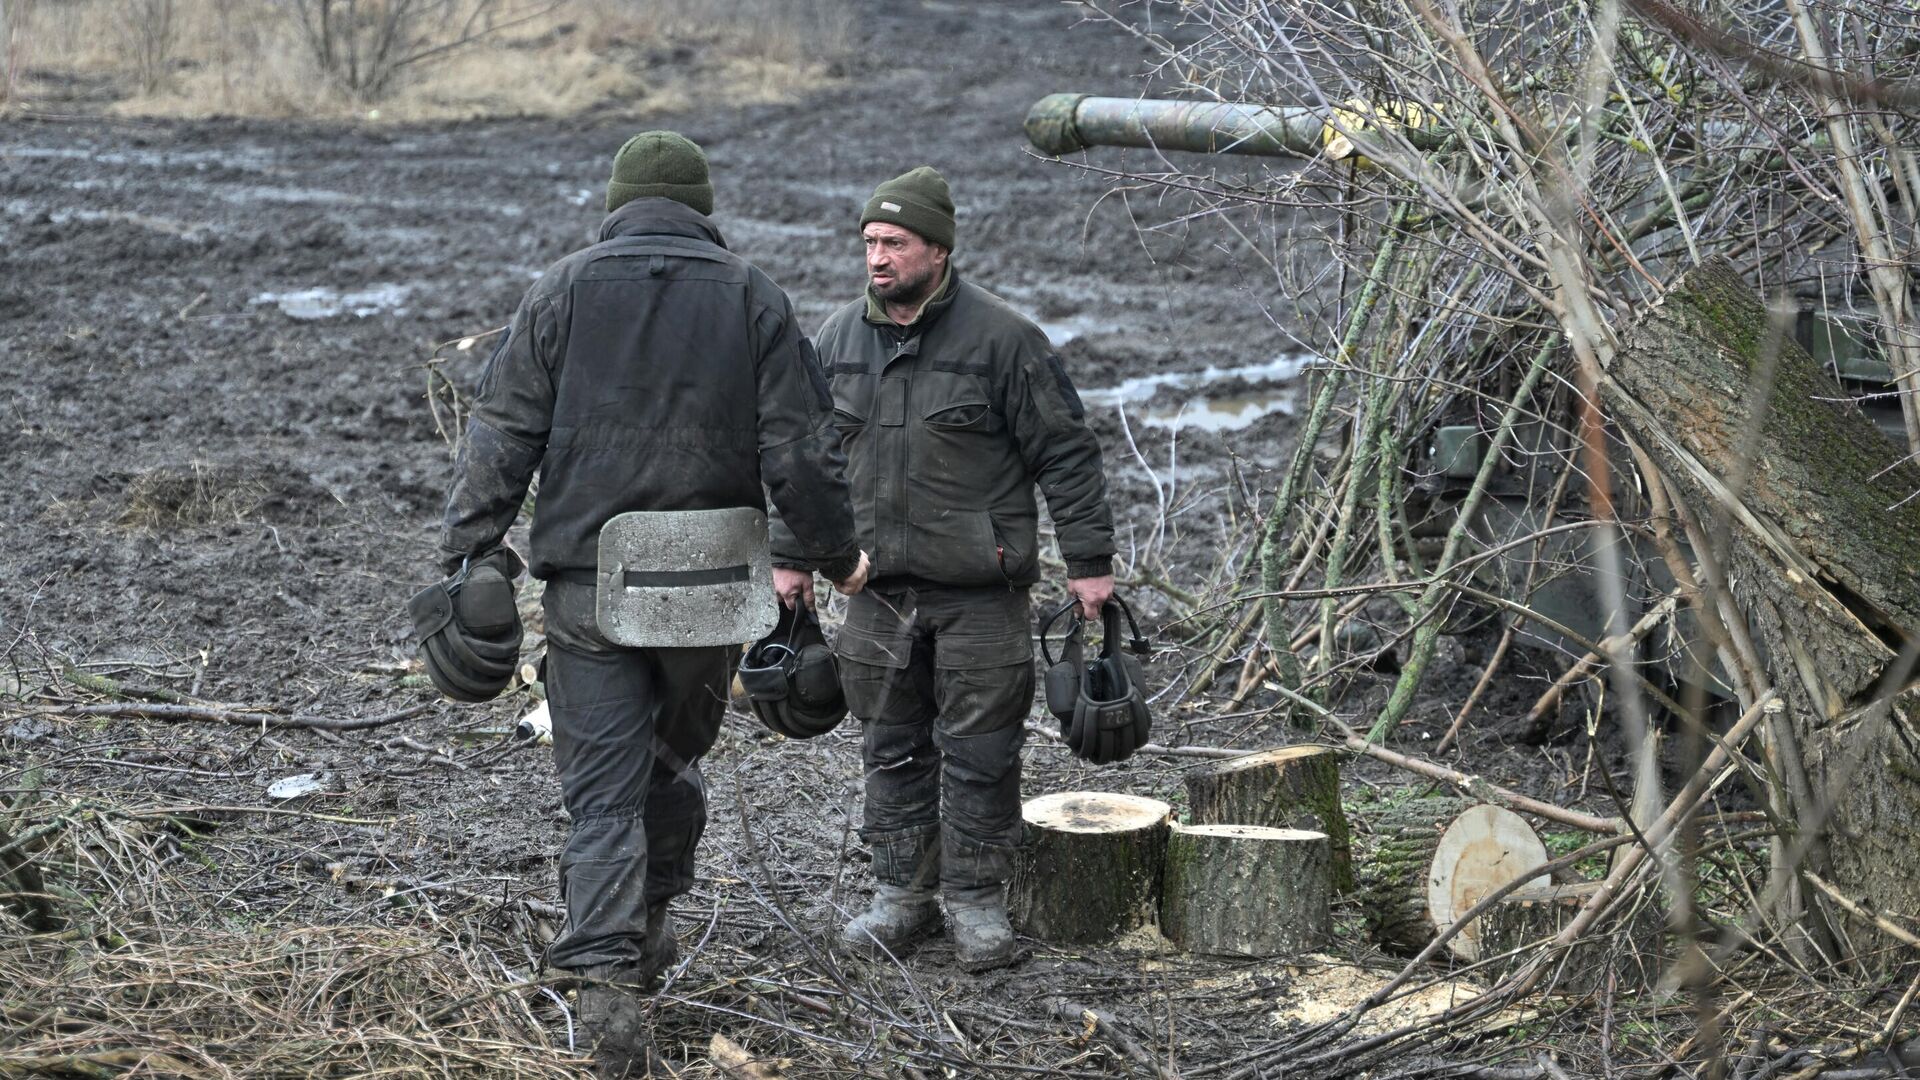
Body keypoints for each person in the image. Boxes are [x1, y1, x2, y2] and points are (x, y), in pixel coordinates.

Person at [430, 130, 868, 1077]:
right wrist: (837, 557)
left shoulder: (563, 288)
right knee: (669, 762)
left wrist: (470, 547)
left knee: (600, 795)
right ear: (703, 207)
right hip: (712, 589)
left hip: (591, 585)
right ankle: (654, 921)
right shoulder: (754, 295)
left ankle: (607, 990)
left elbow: (503, 429)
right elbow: (800, 449)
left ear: (618, 200)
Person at [769, 166, 1116, 972]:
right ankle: (900, 899)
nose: (877, 258)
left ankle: (974, 904)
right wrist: (791, 558)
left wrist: (1089, 563)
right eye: (869, 243)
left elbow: (1067, 454)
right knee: (889, 746)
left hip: (981, 594)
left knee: (982, 751)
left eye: (894, 243)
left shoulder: (1005, 340)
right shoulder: (833, 341)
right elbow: (803, 461)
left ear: (938, 249)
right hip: (873, 590)